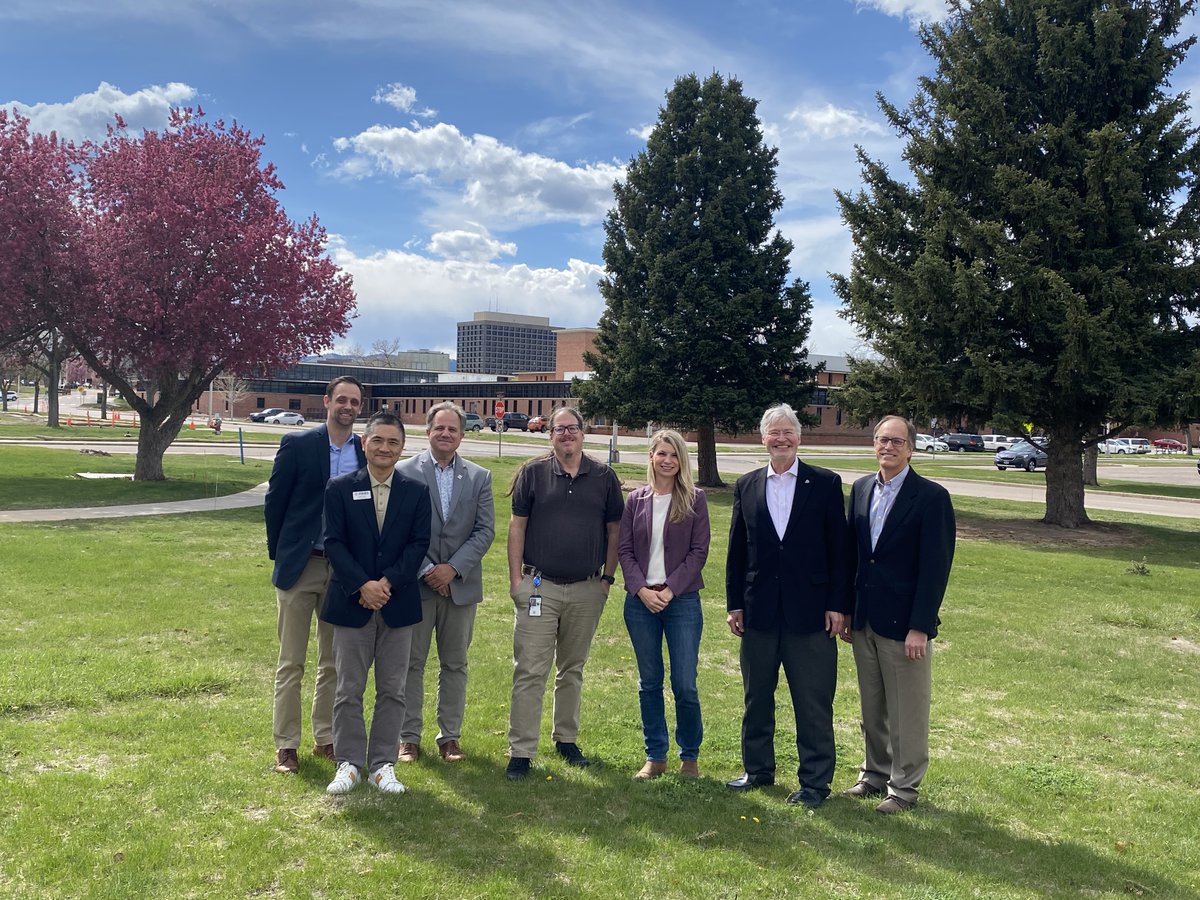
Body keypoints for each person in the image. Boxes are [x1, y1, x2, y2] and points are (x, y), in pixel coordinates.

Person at [725, 402, 850, 809]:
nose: (781, 438)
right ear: (763, 439)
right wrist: (734, 604)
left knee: (812, 701)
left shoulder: (826, 484)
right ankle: (758, 770)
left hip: (811, 614)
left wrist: (837, 604)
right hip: (758, 611)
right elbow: (736, 553)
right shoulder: (746, 485)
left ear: (799, 437)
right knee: (755, 697)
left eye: (788, 432)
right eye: (773, 432)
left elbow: (840, 551)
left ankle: (815, 782)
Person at [842, 415, 955, 815]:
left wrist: (920, 627)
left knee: (907, 711)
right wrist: (848, 612)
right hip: (865, 619)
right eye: (881, 440)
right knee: (872, 707)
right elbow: (854, 557)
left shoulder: (930, 497)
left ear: (911, 448)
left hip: (904, 625)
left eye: (896, 441)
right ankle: (874, 774)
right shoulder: (859, 490)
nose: (887, 447)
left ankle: (904, 789)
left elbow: (935, 568)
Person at [505, 406, 625, 780]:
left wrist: (606, 579)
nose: (567, 435)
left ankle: (566, 739)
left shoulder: (604, 477)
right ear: (550, 434)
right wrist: (516, 582)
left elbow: (615, 532)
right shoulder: (533, 474)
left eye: (573, 428)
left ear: (583, 433)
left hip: (588, 589)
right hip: (540, 586)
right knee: (530, 670)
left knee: (572, 668)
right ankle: (521, 750)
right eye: (560, 429)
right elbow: (516, 527)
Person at [320, 411, 431, 795]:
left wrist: (385, 583)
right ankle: (348, 763)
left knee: (393, 689)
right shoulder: (339, 488)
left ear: (402, 448)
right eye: (378, 440)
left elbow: (419, 545)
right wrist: (362, 585)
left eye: (393, 442)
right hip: (352, 603)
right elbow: (333, 542)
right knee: (348, 688)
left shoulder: (416, 492)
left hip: (398, 604)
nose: (385, 448)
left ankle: (383, 764)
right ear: (364, 443)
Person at [263, 376, 365, 774]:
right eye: (341, 399)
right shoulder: (299, 444)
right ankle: (286, 745)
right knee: (291, 662)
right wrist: (282, 553)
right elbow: (276, 503)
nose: (348, 406)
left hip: (341, 572)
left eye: (354, 401)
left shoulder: (363, 450)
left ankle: (326, 738)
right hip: (299, 566)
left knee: (334, 662)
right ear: (326, 401)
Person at [395, 402, 496, 764]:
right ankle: (408, 738)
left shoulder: (479, 477)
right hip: (415, 585)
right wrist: (426, 570)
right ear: (428, 431)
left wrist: (452, 568)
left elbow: (485, 530)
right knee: (411, 663)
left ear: (462, 435)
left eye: (453, 429)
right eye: (440, 428)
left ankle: (449, 737)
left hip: (460, 587)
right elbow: (398, 530)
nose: (446, 434)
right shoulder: (404, 472)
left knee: (455, 663)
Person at [618, 429, 710, 779]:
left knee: (685, 682)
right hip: (641, 603)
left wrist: (669, 591)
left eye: (674, 455)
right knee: (649, 681)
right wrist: (642, 590)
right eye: (661, 454)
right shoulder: (636, 500)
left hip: (681, 602)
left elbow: (698, 553)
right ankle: (655, 756)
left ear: (681, 460)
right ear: (651, 458)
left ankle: (690, 756)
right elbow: (624, 551)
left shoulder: (695, 499)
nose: (667, 461)